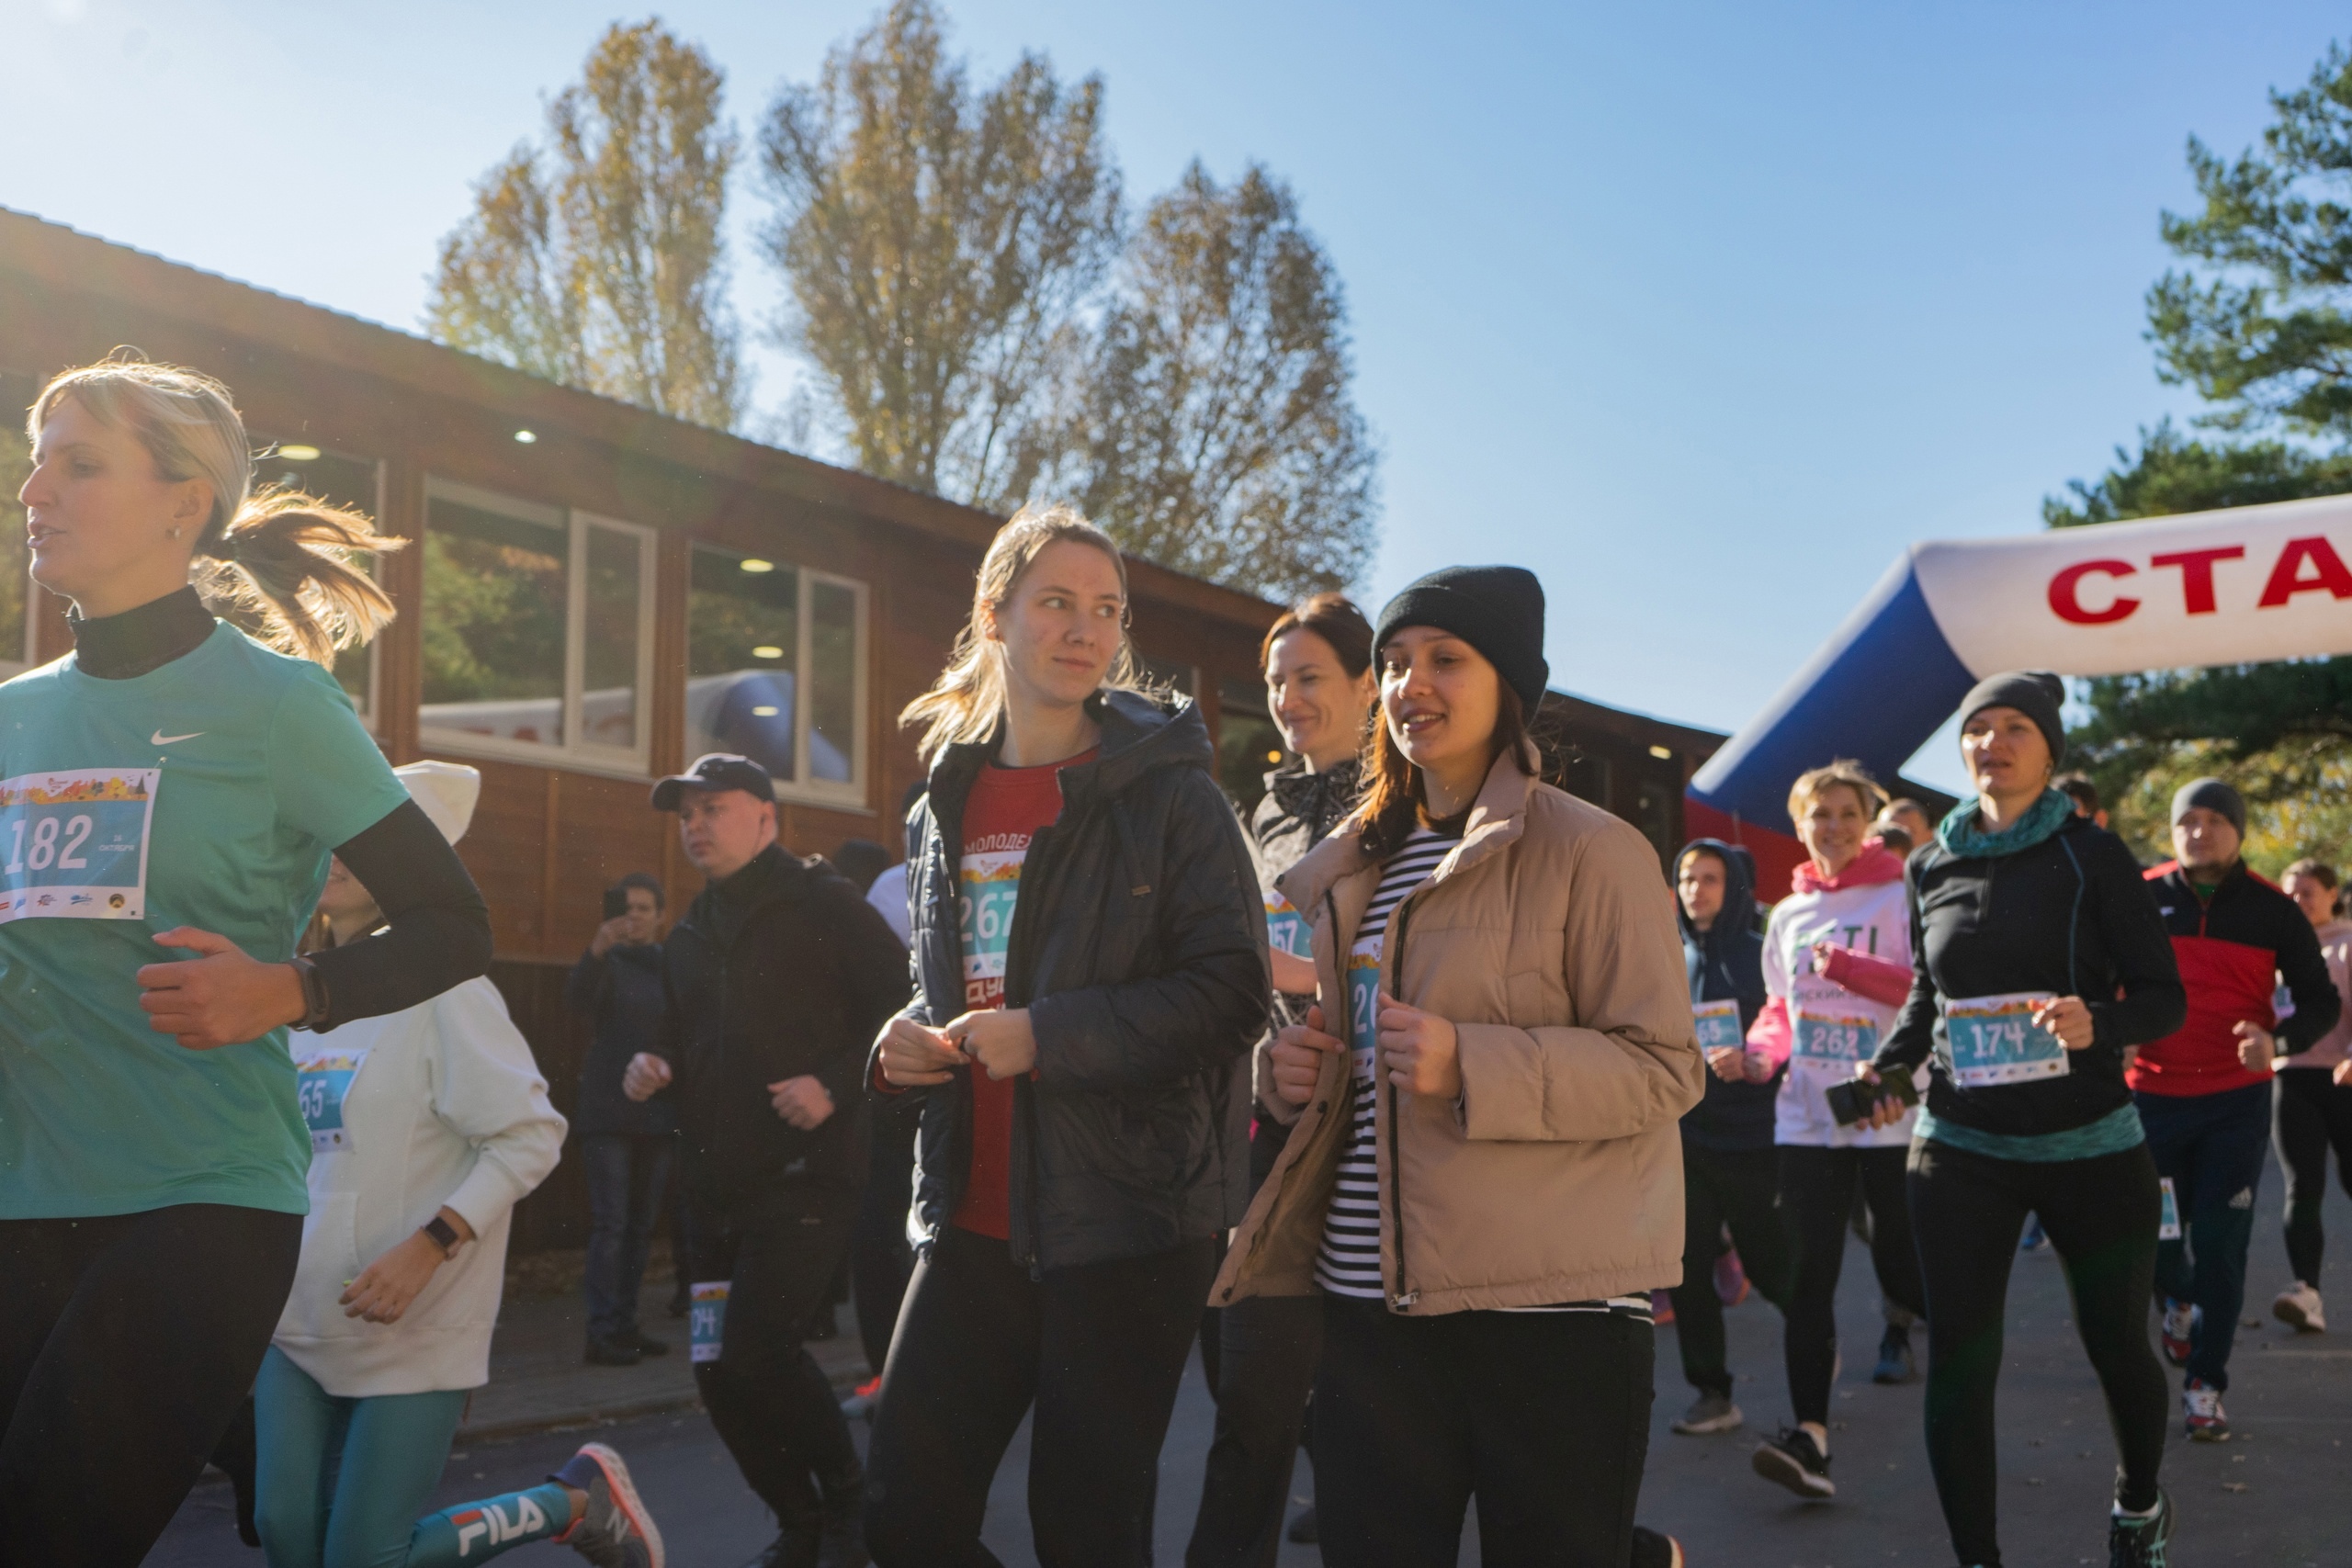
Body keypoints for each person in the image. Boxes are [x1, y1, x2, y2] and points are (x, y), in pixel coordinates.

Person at [0, 355, 495, 1565]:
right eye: (34, 459)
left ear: (184, 501)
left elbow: (451, 920)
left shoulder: (274, 706)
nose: (34, 489)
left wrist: (293, 988)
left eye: (78, 462)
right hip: (21, 1195)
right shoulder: (12, 719)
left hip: (196, 1198)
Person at [1214, 564, 1702, 1568]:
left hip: (1547, 1320)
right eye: (1393, 663)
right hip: (1367, 1314)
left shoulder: (1596, 853)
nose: (1409, 685)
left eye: (1445, 658)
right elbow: (1361, 1064)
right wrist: (1291, 1073)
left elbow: (1663, 1070)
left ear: (1509, 683)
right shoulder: (1354, 864)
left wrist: (1471, 1062)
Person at [863, 505, 1268, 1568]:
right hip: (971, 1215)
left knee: (1086, 1531)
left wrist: (1048, 1034)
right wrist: (901, 1041)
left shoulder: (1174, 796)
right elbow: (943, 982)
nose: (1084, 629)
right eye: (1056, 602)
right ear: (995, 617)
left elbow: (1234, 994)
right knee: (905, 1509)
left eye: (1105, 610)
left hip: (1127, 1222)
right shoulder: (941, 801)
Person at [256, 761, 659, 1568]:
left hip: (415, 1324)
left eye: (360, 844)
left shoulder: (448, 994)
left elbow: (530, 1134)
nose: (335, 854)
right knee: (286, 1536)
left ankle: (569, 1502)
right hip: (291, 1320)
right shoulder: (289, 994)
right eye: (330, 836)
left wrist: (430, 1243)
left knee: (366, 1558)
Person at [1857, 671, 2185, 1568]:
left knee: (2116, 1343)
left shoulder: (2093, 855)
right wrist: (1887, 1063)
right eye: (1977, 729)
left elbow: (2163, 997)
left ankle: (2138, 1501)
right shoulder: (1929, 862)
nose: (1990, 743)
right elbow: (1928, 997)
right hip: (1960, 1144)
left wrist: (2100, 1023)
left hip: (2089, 1142)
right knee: (1961, 1360)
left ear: (2048, 749)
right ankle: (1976, 1558)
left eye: (2013, 729)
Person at [619, 752, 908, 1568]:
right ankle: (800, 1520)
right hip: (713, 1187)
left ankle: (851, 1505)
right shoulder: (689, 931)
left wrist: (833, 1082)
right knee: (716, 1369)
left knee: (757, 1350)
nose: (697, 826)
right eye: (686, 815)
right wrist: (654, 1060)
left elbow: (907, 1001)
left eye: (714, 808)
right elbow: (680, 1029)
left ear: (767, 818)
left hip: (808, 1176)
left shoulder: (824, 902)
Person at [1187, 592, 1375, 1568]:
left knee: (1417, 1426)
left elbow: (1420, 966)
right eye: (1275, 682)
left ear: (1366, 685)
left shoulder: (1408, 805)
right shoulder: (1263, 808)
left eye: (1309, 678)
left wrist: (1296, 974)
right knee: (1248, 1404)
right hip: (1268, 1134)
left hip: (1384, 1145)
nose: (1287, 698)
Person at [1739, 761, 1928, 1501]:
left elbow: (1924, 993)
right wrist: (1761, 1052)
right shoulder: (1785, 914)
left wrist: (1847, 965)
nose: (1835, 827)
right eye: (1820, 814)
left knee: (1902, 1261)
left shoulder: (1901, 892)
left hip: (1889, 1109)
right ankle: (1809, 1438)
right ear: (1800, 824)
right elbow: (1780, 1007)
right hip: (1808, 1117)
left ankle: (1950, 1365)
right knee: (1807, 1276)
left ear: (1869, 817)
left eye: (1848, 812)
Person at [2132, 777, 2338, 1438]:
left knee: (2222, 1245)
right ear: (2173, 830)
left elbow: (2321, 1001)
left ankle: (2205, 1385)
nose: (2201, 830)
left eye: (2216, 819)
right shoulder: (2140, 896)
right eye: (2188, 820)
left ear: (2238, 830)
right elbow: (2095, 975)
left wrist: (2278, 1041)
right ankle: (2179, 1305)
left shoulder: (2274, 909)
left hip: (2233, 1103)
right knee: (2157, 1238)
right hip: (2152, 1099)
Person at [1664, 838, 1792, 1438]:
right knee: (1686, 1267)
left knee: (1765, 1260)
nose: (1696, 890)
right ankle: (1712, 1391)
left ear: (1733, 886)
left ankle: (1812, 1329)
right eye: (1688, 878)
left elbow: (1790, 1031)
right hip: (1683, 1137)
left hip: (1751, 1135)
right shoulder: (1664, 955)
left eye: (1710, 878)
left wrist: (1759, 1059)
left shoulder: (1761, 954)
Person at [569, 873, 677, 1367]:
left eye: (645, 908)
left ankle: (627, 1324)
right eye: (626, 908)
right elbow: (576, 1004)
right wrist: (595, 950)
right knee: (612, 1223)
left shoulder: (672, 969)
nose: (635, 916)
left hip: (658, 1108)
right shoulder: (604, 964)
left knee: (640, 1226)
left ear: (660, 917)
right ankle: (602, 1331)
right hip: (608, 1112)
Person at [2272, 858, 2352, 1332]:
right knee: (2302, 1185)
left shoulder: (2345, 946)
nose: (2299, 902)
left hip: (2343, 1078)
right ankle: (2306, 1292)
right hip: (2293, 1076)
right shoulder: (2276, 950)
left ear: (2331, 894)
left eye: (2308, 893)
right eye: (2291, 895)